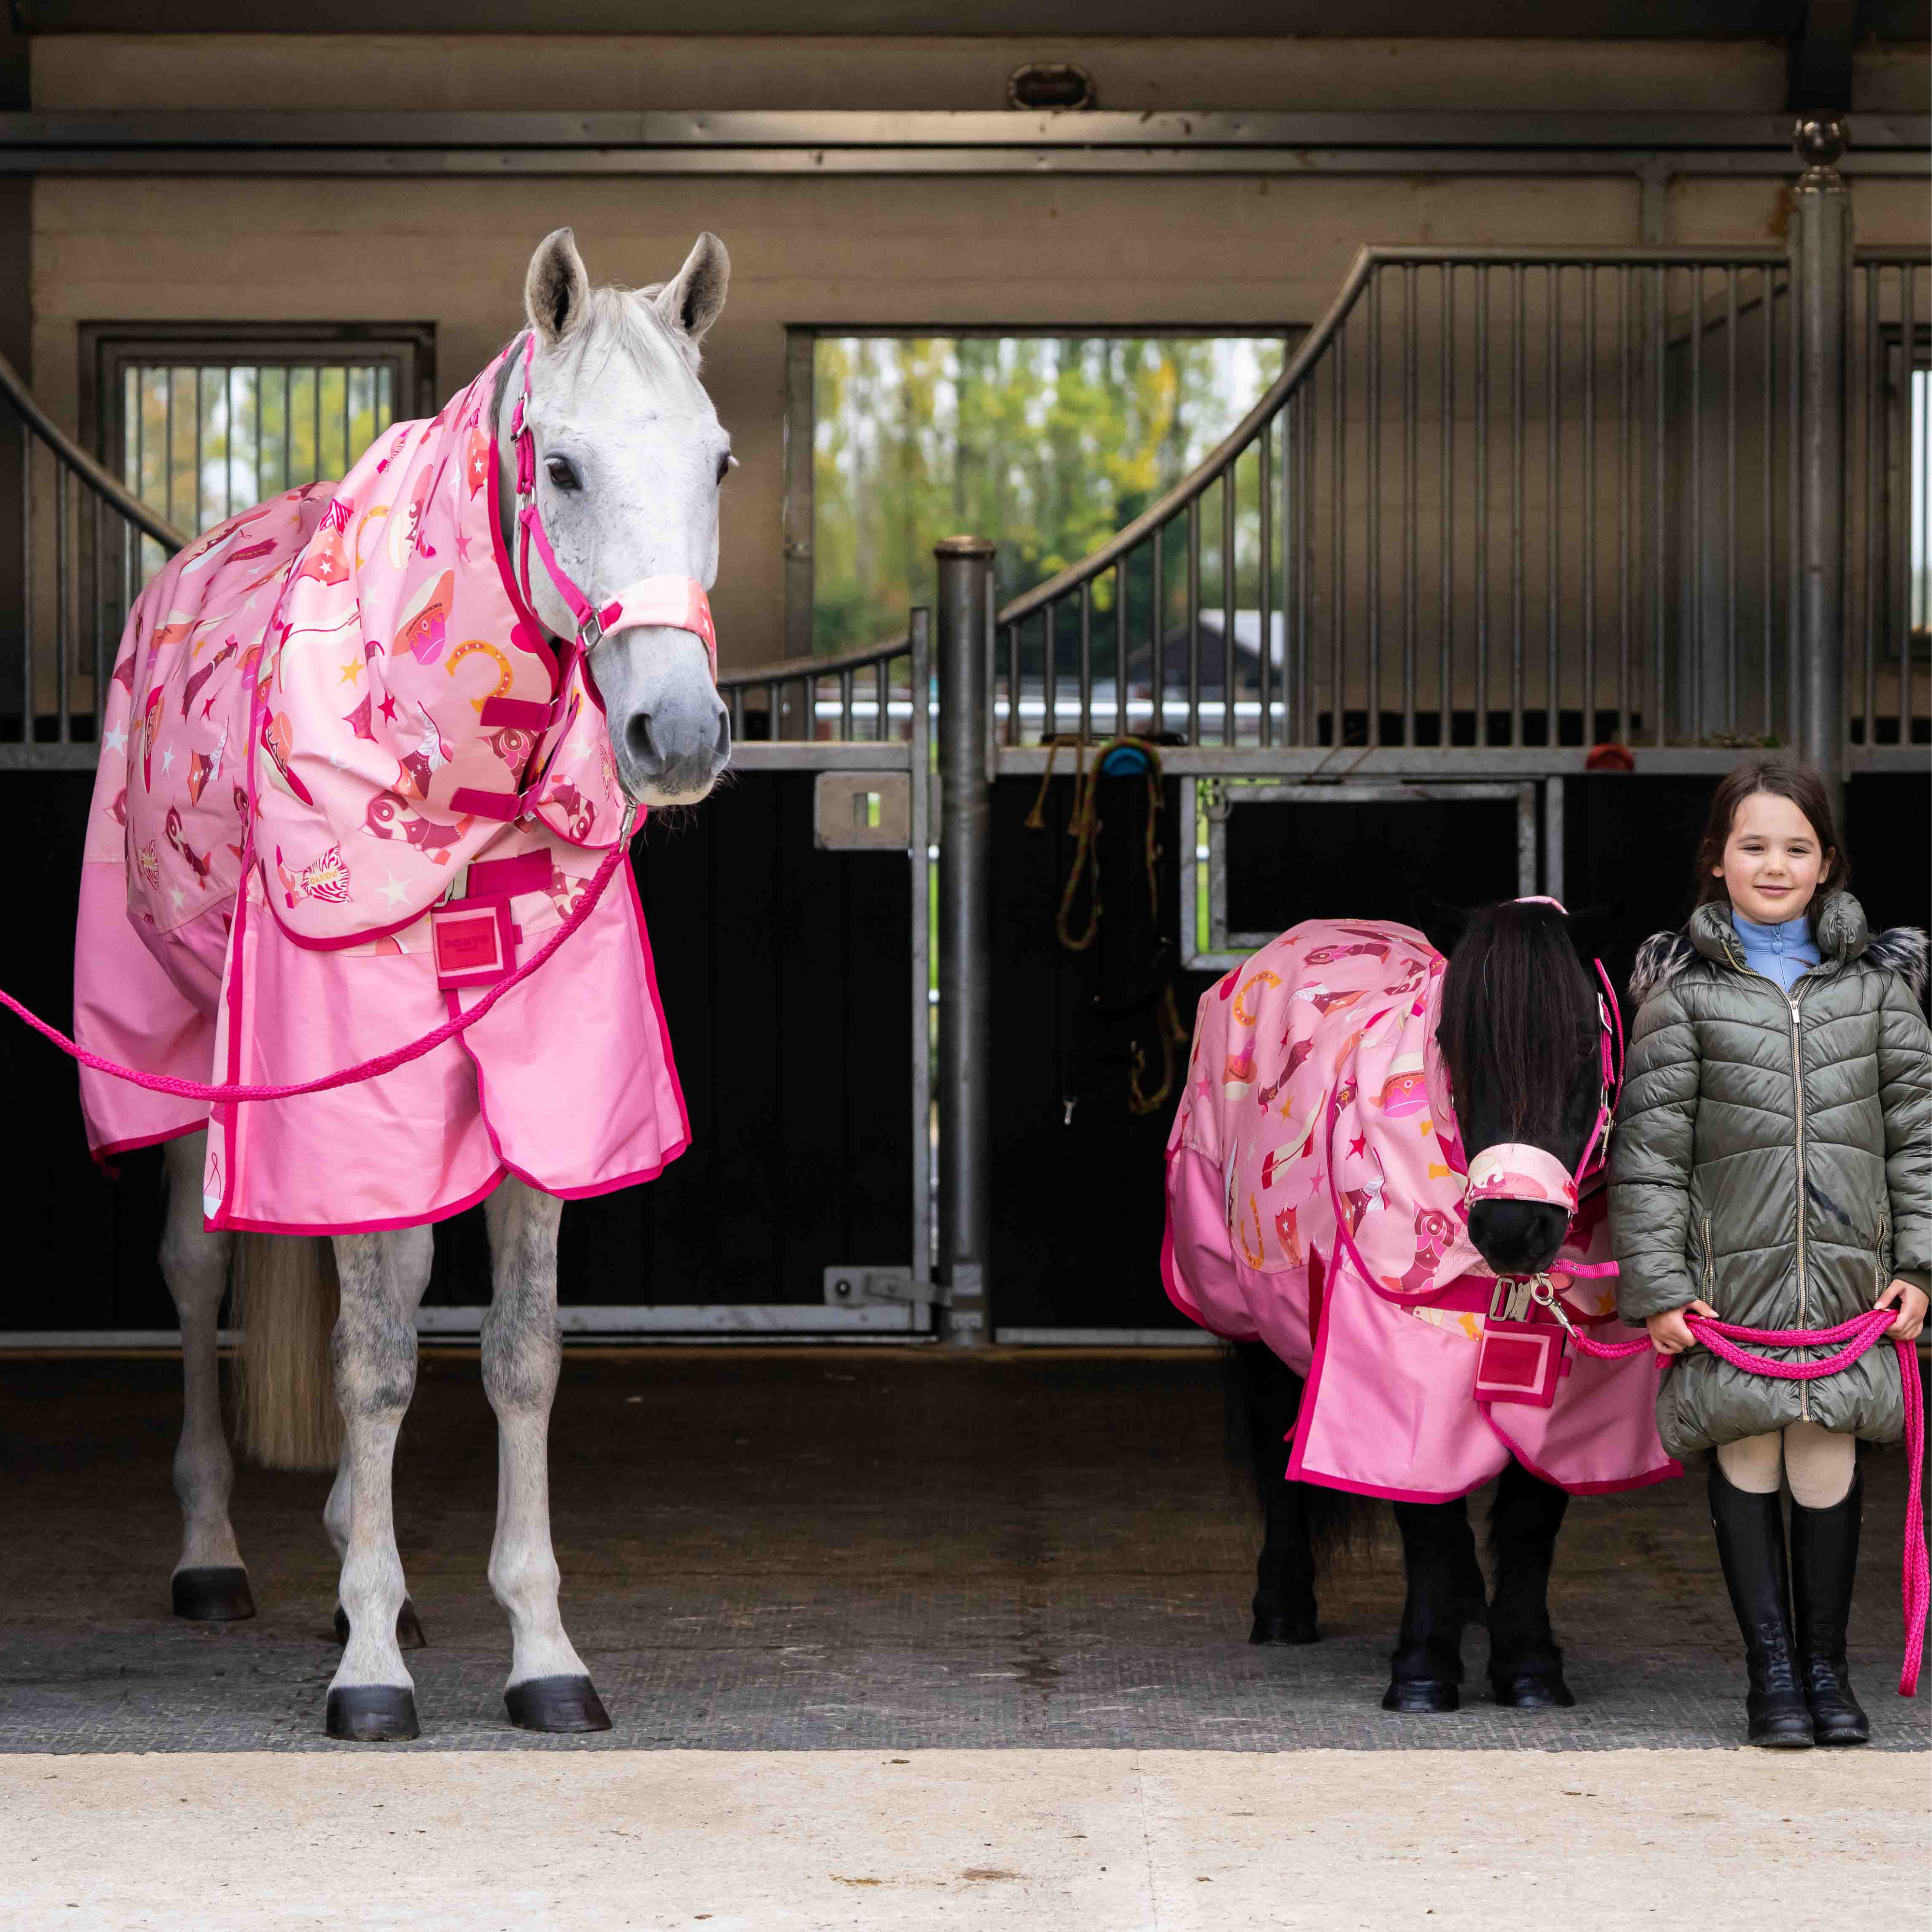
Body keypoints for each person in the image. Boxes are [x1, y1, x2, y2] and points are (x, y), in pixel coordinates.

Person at [1610, 760, 1929, 1747]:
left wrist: (1917, 1267)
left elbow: (1916, 1134)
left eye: (1795, 846)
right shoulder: (1683, 994)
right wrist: (1658, 1284)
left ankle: (1827, 1668)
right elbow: (1648, 1152)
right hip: (1730, 1284)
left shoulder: (1879, 988)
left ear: (1827, 861)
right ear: (1716, 861)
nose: (1774, 863)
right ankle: (1772, 1676)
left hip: (1845, 1282)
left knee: (1825, 1452)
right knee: (1748, 1444)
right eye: (1751, 844)